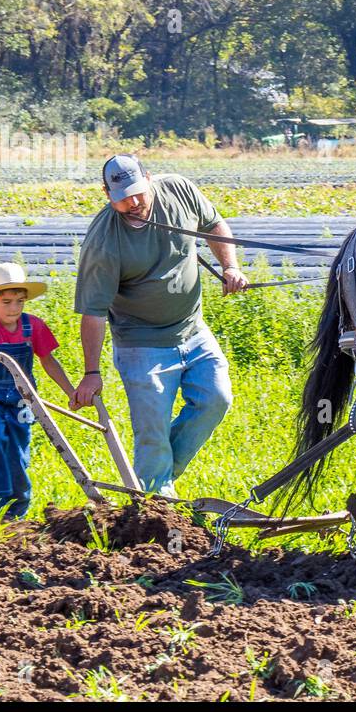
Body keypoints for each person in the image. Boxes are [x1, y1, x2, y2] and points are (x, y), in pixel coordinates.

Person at [71, 154, 248, 498]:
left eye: (138, 192)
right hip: (142, 345)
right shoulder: (104, 242)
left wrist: (230, 267)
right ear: (107, 194)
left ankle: (155, 483)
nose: (133, 202)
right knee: (151, 433)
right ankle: (157, 507)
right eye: (122, 197)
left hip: (192, 329)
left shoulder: (179, 190)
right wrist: (91, 372)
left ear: (149, 179)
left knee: (217, 399)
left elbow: (213, 225)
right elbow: (93, 313)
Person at [0, 263, 75, 521]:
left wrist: (71, 391)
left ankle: (16, 510)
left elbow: (48, 361)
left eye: (19, 301)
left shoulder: (33, 326)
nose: (13, 308)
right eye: (6, 302)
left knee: (18, 451)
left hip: (23, 396)